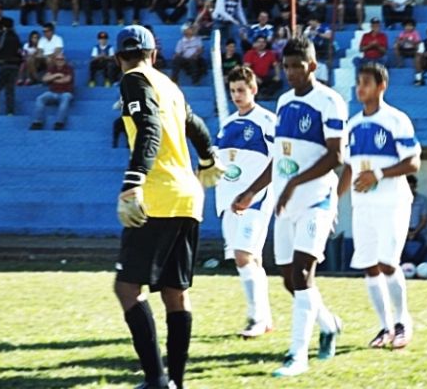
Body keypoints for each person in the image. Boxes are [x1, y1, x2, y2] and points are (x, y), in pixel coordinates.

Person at [112, 24, 224, 389]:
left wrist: (133, 183)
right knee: (176, 292)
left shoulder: (133, 80)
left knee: (128, 288)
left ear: (118, 58)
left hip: (157, 196)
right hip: (189, 196)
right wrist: (208, 158)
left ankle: (157, 380)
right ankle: (176, 380)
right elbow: (195, 124)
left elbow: (149, 130)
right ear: (154, 54)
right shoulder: (169, 85)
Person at [232, 36, 346, 377]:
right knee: (289, 279)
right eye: (287, 66)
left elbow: (336, 156)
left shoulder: (330, 101)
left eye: (298, 65)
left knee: (302, 274)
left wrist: (296, 183)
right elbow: (277, 155)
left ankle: (297, 356)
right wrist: (252, 191)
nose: (292, 72)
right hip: (284, 203)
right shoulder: (283, 102)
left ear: (312, 65)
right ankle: (328, 324)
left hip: (316, 200)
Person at [339, 62, 421, 350]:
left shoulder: (397, 120)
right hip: (363, 206)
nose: (360, 88)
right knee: (369, 266)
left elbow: (413, 162)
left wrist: (378, 174)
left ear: (381, 86)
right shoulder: (352, 124)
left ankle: (402, 322)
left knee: (388, 263)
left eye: (366, 82)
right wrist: (334, 201)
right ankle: (385, 326)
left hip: (392, 203)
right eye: (358, 82)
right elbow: (348, 167)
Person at [214, 66, 277, 339]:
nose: (236, 95)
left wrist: (251, 193)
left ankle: (256, 319)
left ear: (254, 89)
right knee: (252, 260)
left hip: (256, 199)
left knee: (243, 257)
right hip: (229, 201)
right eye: (233, 91)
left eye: (241, 90)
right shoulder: (227, 124)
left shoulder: (267, 120)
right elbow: (217, 163)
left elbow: (279, 160)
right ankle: (266, 318)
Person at [29, 54, 74, 130]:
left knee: (65, 99)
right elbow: (44, 79)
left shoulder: (69, 68)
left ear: (64, 60)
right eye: (58, 59)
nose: (60, 61)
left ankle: (59, 122)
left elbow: (67, 80)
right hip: (52, 92)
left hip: (65, 92)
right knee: (39, 98)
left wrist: (52, 79)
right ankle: (37, 122)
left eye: (62, 59)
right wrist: (57, 75)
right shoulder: (52, 69)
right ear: (55, 61)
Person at [0, 21, 21, 116]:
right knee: (10, 90)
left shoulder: (2, 37)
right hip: (14, 66)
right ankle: (10, 111)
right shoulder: (16, 37)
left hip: (3, 65)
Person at [404, 175, 427, 265]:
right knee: (392, 241)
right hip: (403, 230)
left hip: (418, 230)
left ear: (415, 187)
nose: (410, 190)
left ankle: (415, 263)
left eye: (412, 187)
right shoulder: (399, 200)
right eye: (408, 187)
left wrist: (414, 233)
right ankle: (406, 263)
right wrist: (407, 232)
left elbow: (424, 220)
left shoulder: (422, 200)